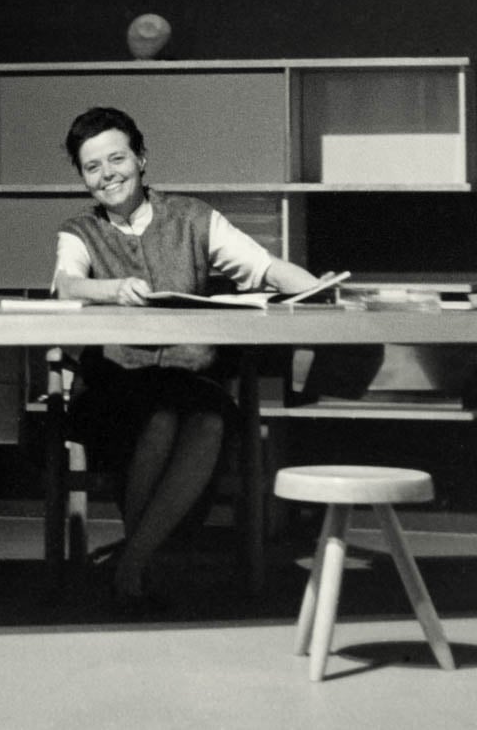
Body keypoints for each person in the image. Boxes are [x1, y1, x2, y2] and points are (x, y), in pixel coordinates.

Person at [51, 106, 338, 612]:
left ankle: (131, 564)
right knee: (158, 421)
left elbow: (266, 268)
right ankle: (138, 565)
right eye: (92, 167)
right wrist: (113, 289)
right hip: (115, 383)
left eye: (117, 159)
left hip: (188, 378)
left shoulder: (194, 217)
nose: (107, 174)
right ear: (82, 176)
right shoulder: (79, 231)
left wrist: (319, 291)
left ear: (141, 159)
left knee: (203, 421)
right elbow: (68, 283)